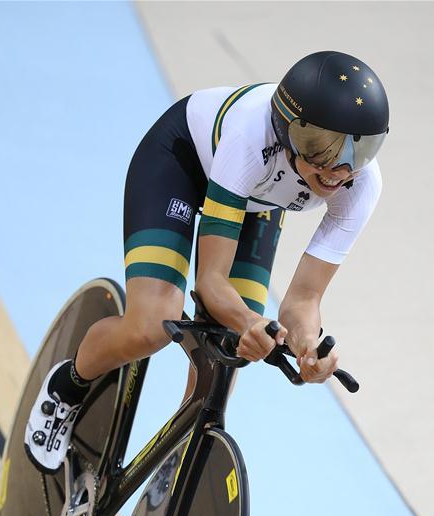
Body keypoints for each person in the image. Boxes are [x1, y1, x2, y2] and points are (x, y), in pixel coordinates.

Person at [25, 50, 389, 473]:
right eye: (320, 148)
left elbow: (304, 299)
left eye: (359, 152)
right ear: (287, 129)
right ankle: (66, 387)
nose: (338, 170)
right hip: (181, 165)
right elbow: (211, 283)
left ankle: (175, 468)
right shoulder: (250, 139)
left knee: (227, 360)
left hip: (257, 200)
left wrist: (308, 346)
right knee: (151, 326)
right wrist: (249, 323)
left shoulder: (361, 186)